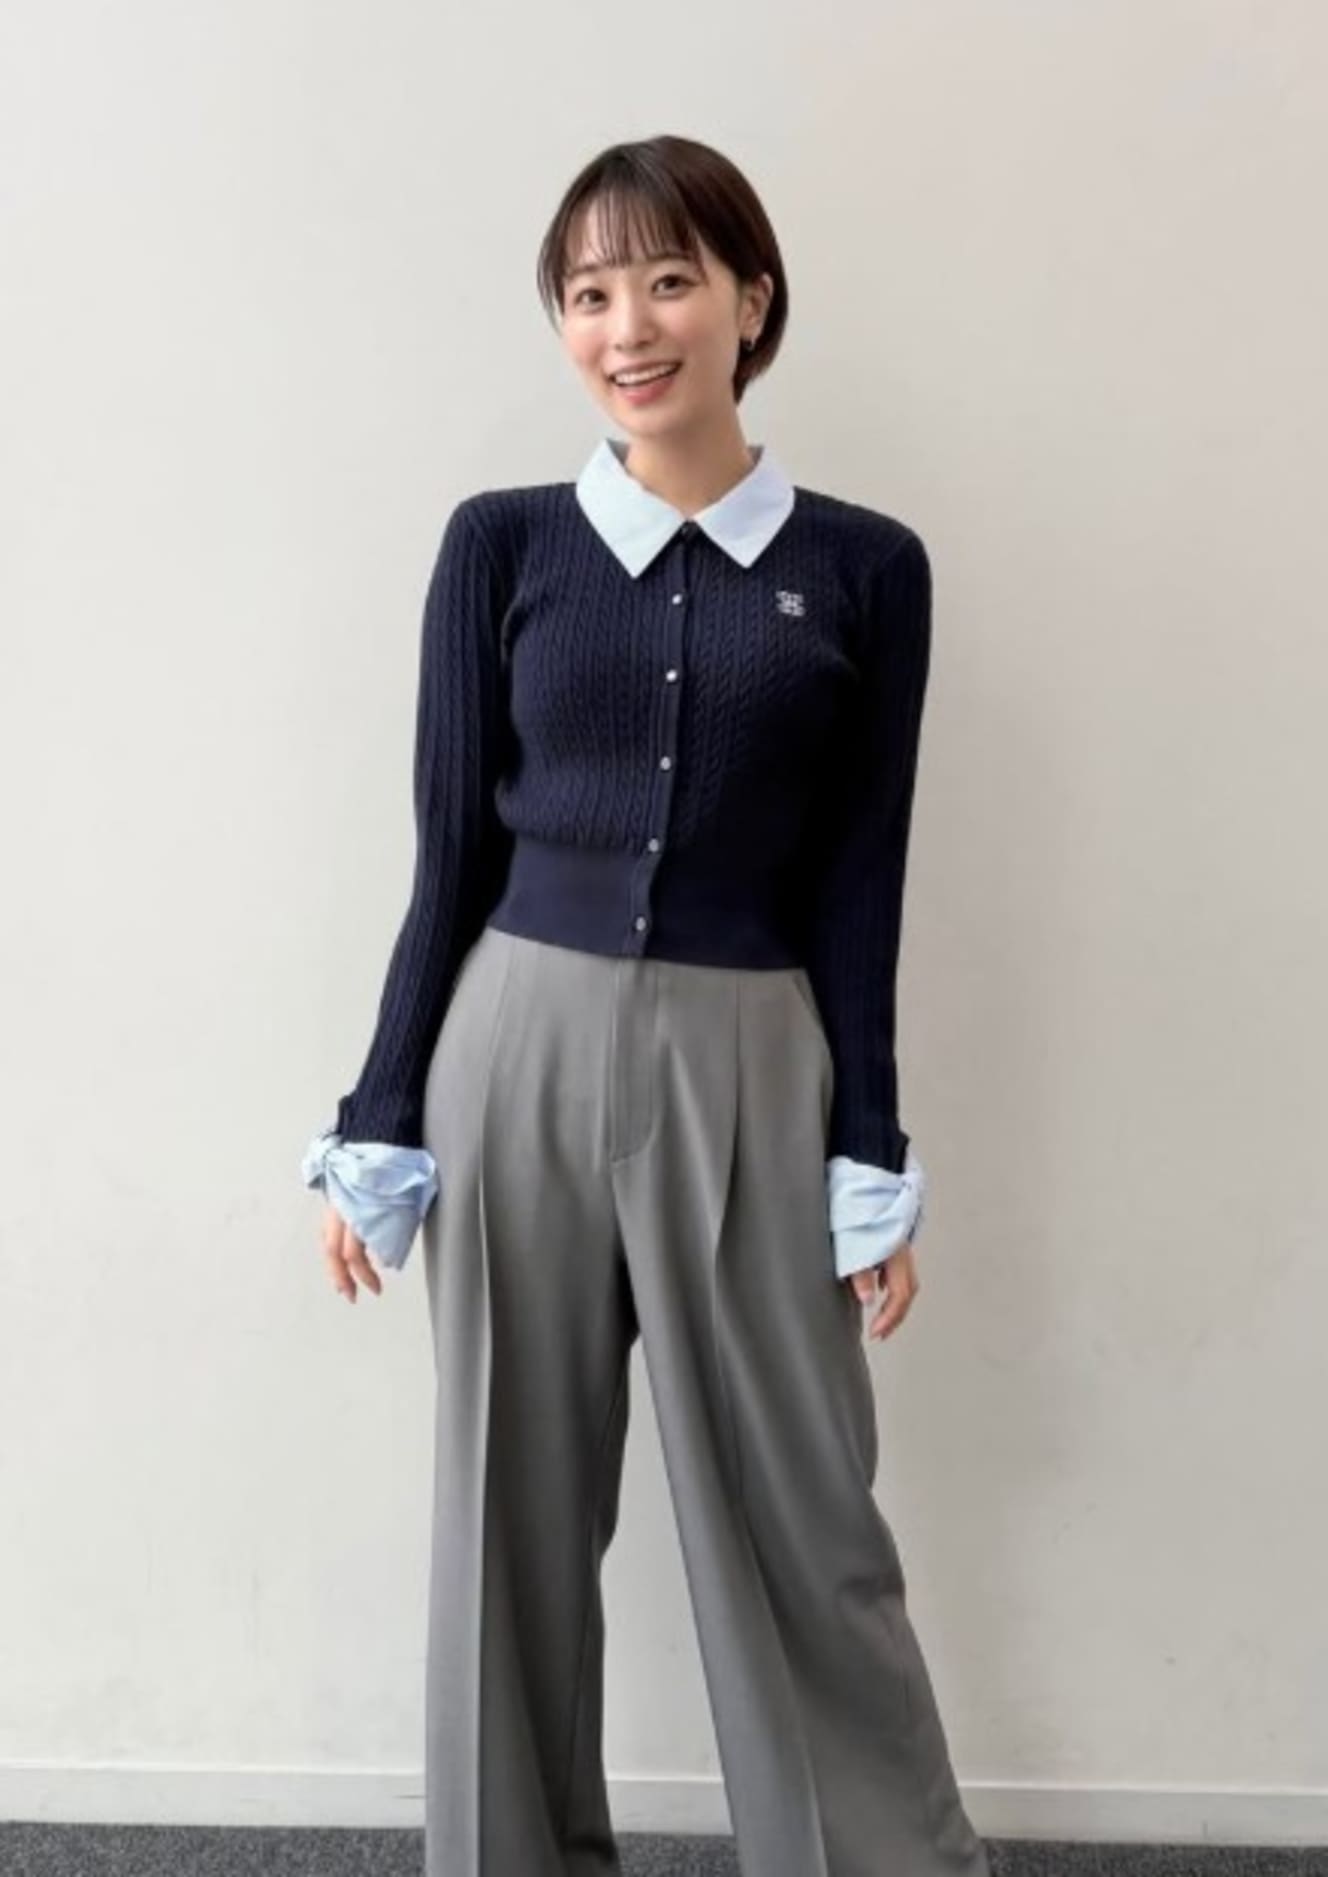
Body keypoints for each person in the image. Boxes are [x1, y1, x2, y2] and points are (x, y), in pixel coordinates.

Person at [302, 132, 989, 1877]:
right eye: (591, 291)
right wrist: (379, 1115)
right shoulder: (502, 546)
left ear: (752, 301)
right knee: (510, 1518)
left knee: (802, 1510)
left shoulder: (868, 569)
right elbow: (449, 852)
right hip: (512, 1048)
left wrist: (870, 1147)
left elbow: (863, 879)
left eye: (670, 279)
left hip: (751, 1059)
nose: (630, 325)